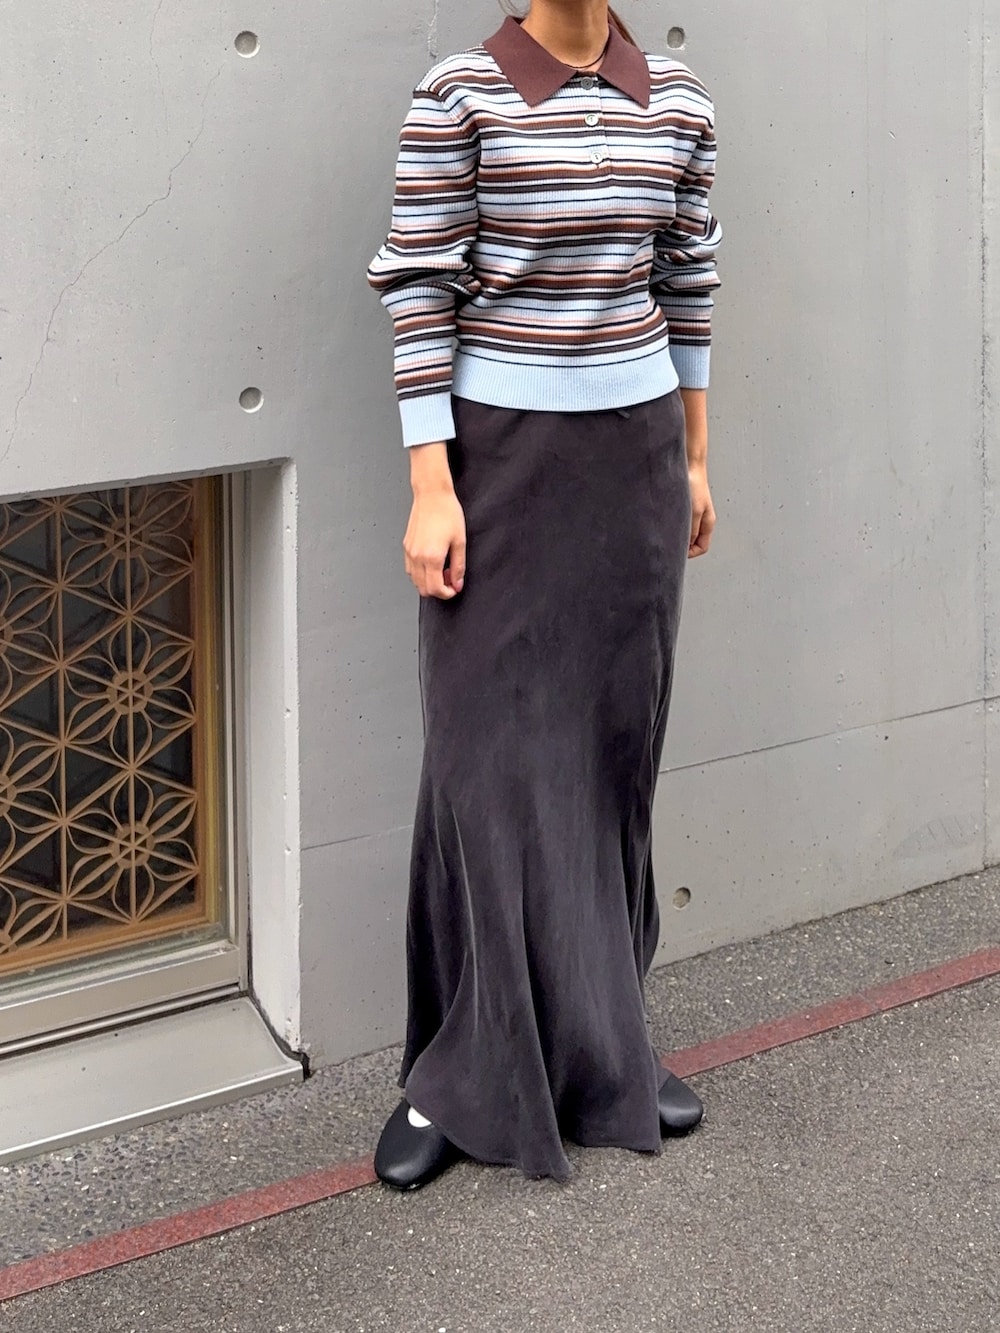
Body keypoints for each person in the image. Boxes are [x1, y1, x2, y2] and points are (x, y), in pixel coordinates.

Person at [366, 0, 722, 1189]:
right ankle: (455, 1073)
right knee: (481, 765)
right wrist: (431, 484)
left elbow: (686, 278)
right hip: (499, 462)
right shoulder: (458, 95)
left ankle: (605, 1044)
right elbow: (419, 286)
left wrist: (697, 461)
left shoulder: (679, 102)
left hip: (634, 463)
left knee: (612, 758)